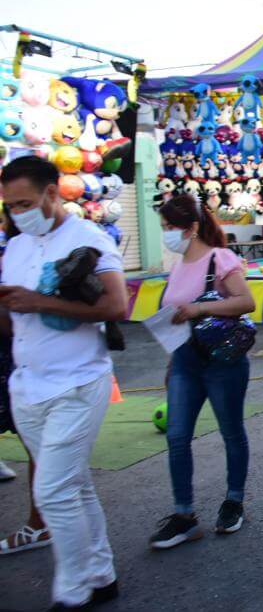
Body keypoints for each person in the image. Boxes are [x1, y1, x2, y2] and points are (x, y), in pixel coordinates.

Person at [0, 156, 128, 608]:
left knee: (52, 491)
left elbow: (117, 308)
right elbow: (13, 319)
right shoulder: (15, 247)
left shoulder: (87, 238)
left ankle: (72, 592)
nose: (18, 213)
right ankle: (101, 575)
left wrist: (40, 302)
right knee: (73, 486)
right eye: (10, 206)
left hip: (76, 383)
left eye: (24, 203)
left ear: (53, 193)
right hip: (27, 385)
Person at [149, 195, 256, 550]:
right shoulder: (178, 264)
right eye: (163, 228)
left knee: (230, 431)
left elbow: (246, 302)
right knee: (177, 436)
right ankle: (184, 515)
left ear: (192, 227)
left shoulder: (219, 257)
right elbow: (172, 319)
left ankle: (233, 501)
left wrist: (198, 308)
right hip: (184, 362)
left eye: (170, 228)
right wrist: (171, 364)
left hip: (222, 362)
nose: (166, 234)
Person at [0, 210, 51, 557]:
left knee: (40, 448)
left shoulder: (34, 254)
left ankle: (40, 521)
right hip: (20, 362)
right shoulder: (15, 253)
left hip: (25, 363)